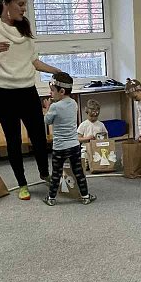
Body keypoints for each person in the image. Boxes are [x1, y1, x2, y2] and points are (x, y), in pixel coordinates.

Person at [0, 0, 63, 201]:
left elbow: (33, 61)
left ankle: (44, 174)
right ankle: (22, 184)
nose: (24, 9)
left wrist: (56, 71)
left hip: (27, 92)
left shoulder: (24, 26)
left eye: (25, 4)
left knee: (39, 137)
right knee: (13, 141)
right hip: (2, 93)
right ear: (6, 3)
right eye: (20, 4)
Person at [42, 73, 95, 206]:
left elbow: (47, 121)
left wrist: (47, 109)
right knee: (78, 172)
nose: (50, 93)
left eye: (52, 90)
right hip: (74, 146)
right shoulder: (74, 103)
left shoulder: (55, 107)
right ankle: (85, 196)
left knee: (56, 173)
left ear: (61, 91)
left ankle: (51, 198)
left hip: (59, 147)